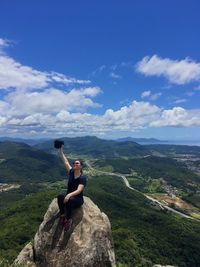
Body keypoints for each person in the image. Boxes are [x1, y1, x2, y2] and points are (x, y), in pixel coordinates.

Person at [57, 147, 87, 231]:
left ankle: (68, 220)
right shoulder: (71, 172)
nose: (74, 164)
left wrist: (69, 195)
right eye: (74, 163)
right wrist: (61, 151)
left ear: (81, 166)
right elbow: (65, 161)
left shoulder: (82, 178)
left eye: (77, 163)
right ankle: (62, 215)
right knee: (60, 196)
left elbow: (79, 190)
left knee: (69, 200)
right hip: (69, 197)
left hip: (78, 199)